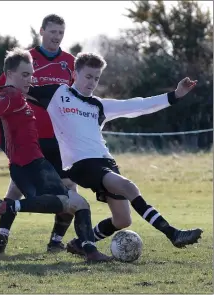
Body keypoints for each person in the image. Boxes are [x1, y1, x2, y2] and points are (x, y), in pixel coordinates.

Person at [24, 52, 203, 255]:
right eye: (88, 77)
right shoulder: (58, 94)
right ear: (75, 74)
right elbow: (20, 89)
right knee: (128, 186)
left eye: (97, 78)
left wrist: (175, 95)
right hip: (81, 164)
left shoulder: (99, 105)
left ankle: (80, 243)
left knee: (122, 220)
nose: (92, 82)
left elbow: (139, 105)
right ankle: (173, 234)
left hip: (106, 162)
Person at [0, 47, 113, 264]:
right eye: (25, 75)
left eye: (31, 74)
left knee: (75, 203)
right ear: (10, 74)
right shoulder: (12, 96)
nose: (30, 79)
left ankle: (88, 250)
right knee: (70, 202)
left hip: (33, 164)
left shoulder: (14, 95)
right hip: (30, 166)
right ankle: (5, 207)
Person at [0, 14, 77, 254]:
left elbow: (77, 98)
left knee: (69, 189)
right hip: (30, 138)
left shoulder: (70, 62)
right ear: (42, 32)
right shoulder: (25, 60)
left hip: (59, 140)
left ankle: (56, 241)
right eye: (52, 31)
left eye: (60, 33)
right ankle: (2, 235)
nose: (56, 37)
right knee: (16, 188)